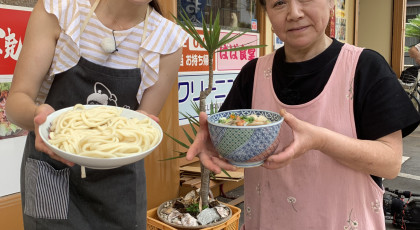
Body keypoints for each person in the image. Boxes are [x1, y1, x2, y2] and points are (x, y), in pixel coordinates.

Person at [187, 0, 420, 229]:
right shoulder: (253, 74)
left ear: (332, 3)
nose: (294, 13)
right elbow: (232, 140)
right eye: (279, 3)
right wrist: (217, 142)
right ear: (266, 11)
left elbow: (390, 164)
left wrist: (321, 141)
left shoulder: (364, 67)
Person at [5, 0, 187, 229]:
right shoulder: (60, 10)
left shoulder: (167, 39)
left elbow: (142, 122)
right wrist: (37, 116)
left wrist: (141, 129)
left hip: (119, 183)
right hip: (50, 172)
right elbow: (15, 101)